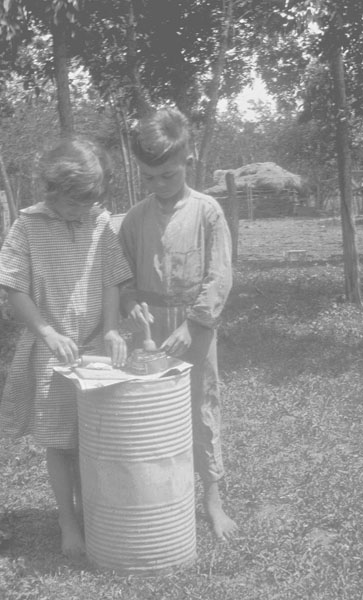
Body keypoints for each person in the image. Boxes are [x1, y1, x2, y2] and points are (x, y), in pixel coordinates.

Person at [0, 138, 132, 559]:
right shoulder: (27, 226)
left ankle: (99, 510)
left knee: (98, 437)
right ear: (51, 192)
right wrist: (47, 333)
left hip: (96, 351)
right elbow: (13, 288)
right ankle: (67, 520)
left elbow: (111, 278)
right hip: (54, 355)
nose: (82, 212)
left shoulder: (99, 222)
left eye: (89, 203)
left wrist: (112, 330)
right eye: (75, 204)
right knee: (60, 441)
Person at [119, 107, 237, 541]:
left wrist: (194, 324)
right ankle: (159, 491)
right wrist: (129, 300)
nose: (158, 186)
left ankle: (212, 498)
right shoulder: (133, 219)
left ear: (187, 161)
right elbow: (123, 276)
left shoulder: (208, 213)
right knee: (151, 411)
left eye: (167, 175)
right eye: (148, 178)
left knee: (201, 406)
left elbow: (220, 275)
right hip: (151, 332)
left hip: (195, 327)